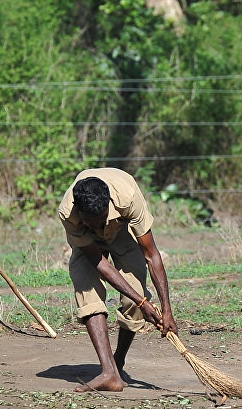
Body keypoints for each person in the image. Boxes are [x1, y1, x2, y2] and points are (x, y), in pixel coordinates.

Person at [58, 167, 178, 392]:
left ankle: (118, 361)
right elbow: (99, 262)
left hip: (121, 231)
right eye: (89, 221)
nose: (96, 225)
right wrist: (145, 303)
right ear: (80, 212)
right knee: (88, 293)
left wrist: (166, 308)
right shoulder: (69, 212)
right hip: (89, 247)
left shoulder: (128, 196)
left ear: (109, 205)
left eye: (99, 219)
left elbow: (152, 255)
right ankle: (108, 372)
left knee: (134, 298)